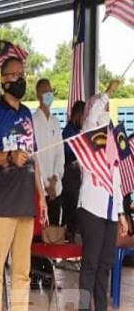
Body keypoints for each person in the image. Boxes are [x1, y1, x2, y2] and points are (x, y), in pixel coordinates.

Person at [0, 56, 47, 311]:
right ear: (4, 79)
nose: (20, 79)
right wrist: (9, 157)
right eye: (15, 75)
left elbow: (33, 157)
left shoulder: (28, 115)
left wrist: (41, 195)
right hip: (3, 200)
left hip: (25, 200)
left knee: (22, 268)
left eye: (23, 74)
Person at [77, 80, 128, 311]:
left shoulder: (111, 145)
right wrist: (106, 94)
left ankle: (101, 309)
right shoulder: (88, 135)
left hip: (109, 209)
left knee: (105, 261)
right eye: (101, 109)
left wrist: (121, 213)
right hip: (91, 208)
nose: (104, 114)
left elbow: (117, 181)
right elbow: (94, 113)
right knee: (91, 262)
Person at [32, 79, 64, 225]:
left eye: (50, 91)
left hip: (55, 189)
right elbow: (33, 156)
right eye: (45, 91)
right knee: (39, 239)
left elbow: (59, 153)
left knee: (54, 235)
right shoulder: (31, 121)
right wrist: (45, 183)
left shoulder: (56, 122)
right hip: (38, 192)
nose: (48, 94)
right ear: (38, 94)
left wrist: (54, 179)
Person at [62, 101, 85, 241]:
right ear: (78, 115)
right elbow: (66, 154)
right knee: (71, 212)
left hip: (77, 177)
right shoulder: (69, 132)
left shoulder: (78, 131)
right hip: (69, 176)